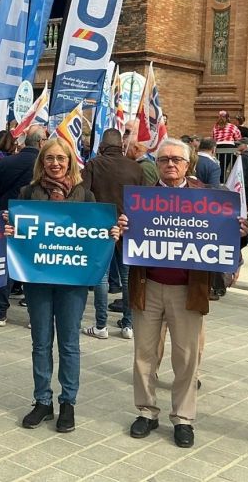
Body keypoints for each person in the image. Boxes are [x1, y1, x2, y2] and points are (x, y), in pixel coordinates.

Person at [129, 138, 248, 448]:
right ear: (157, 164)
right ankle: (146, 411)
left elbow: (225, 237)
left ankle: (183, 417)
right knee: (145, 354)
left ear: (188, 165)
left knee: (186, 357)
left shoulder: (208, 198)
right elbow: (126, 241)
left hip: (188, 289)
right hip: (149, 285)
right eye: (164, 159)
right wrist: (123, 228)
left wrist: (240, 239)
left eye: (176, 160)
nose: (170, 164)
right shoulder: (142, 198)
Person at [10, 138, 124, 433]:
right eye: (50, 159)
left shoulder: (85, 196)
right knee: (41, 342)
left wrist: (110, 232)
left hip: (72, 281)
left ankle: (68, 402)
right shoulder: (27, 194)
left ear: (70, 162)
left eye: (61, 159)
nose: (56, 164)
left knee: (70, 343)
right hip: (38, 279)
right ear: (42, 162)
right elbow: (17, 231)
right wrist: (9, 228)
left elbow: (97, 234)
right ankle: (42, 401)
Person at [80, 129, 142, 341]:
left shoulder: (94, 165)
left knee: (101, 277)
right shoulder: (136, 167)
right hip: (128, 227)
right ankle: (128, 324)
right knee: (127, 278)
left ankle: (101, 325)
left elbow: (83, 195)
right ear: (121, 146)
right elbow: (143, 201)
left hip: (100, 227)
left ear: (102, 146)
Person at [0, 126, 46, 325]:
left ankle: (0, 312)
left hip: (7, 216)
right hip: (35, 221)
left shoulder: (6, 161)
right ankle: (33, 315)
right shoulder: (41, 166)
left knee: (7, 264)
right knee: (32, 265)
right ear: (41, 143)